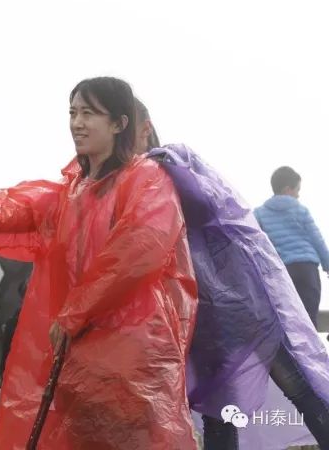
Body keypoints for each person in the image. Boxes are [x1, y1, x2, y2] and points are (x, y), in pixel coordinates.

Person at [0, 77, 198, 449]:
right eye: (73, 112)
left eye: (89, 113)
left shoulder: (146, 178)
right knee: (79, 436)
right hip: (79, 347)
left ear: (119, 123)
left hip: (132, 346)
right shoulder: (73, 189)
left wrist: (75, 312)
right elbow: (12, 210)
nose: (77, 122)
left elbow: (136, 253)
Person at [136, 100, 329, 449]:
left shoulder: (173, 159)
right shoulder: (124, 184)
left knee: (295, 384)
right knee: (218, 408)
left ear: (141, 126)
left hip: (240, 301)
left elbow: (214, 206)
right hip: (202, 314)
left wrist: (166, 170)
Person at [254, 166, 329, 327]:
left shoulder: (259, 213)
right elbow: (317, 240)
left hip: (283, 272)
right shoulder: (300, 210)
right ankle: (311, 351)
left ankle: (290, 352)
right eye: (297, 190)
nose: (298, 195)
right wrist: (328, 265)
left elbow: (257, 245)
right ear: (288, 189)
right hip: (307, 270)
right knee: (309, 320)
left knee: (288, 322)